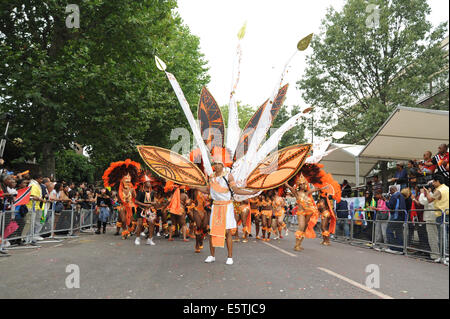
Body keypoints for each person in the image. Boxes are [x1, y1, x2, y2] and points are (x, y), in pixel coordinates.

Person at [191, 156, 258, 265]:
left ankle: (230, 257)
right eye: (215, 163)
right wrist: (196, 187)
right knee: (212, 232)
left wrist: (250, 193)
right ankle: (212, 256)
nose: (216, 165)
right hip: (216, 206)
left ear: (223, 165)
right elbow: (208, 190)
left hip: (227, 207)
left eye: (219, 163)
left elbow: (235, 190)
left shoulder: (228, 176)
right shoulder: (211, 177)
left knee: (227, 232)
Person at [284, 175, 327, 251]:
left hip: (309, 213)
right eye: (301, 184)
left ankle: (299, 245)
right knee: (301, 227)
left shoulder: (307, 193)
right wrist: (285, 183)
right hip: (301, 213)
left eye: (304, 184)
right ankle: (296, 245)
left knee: (304, 229)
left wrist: (323, 187)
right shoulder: (296, 193)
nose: (303, 185)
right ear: (299, 185)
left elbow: (316, 189)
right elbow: (290, 188)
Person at [385, 185, 406, 254]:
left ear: (392, 190)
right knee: (399, 232)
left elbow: (390, 206)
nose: (390, 194)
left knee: (389, 230)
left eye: (390, 192)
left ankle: (393, 248)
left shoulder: (394, 196)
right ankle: (400, 249)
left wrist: (386, 201)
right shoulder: (401, 196)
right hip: (401, 216)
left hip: (395, 216)